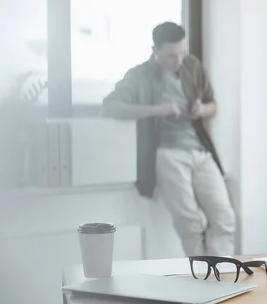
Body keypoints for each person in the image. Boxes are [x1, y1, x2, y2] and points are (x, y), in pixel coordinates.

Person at [101, 22, 236, 256]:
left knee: (224, 218)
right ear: (155, 50)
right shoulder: (139, 75)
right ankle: (203, 281)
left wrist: (199, 109)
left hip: (201, 152)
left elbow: (212, 105)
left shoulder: (191, 66)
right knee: (191, 225)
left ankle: (222, 277)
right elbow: (110, 107)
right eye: (171, 56)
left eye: (181, 53)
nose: (178, 61)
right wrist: (159, 109)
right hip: (167, 153)